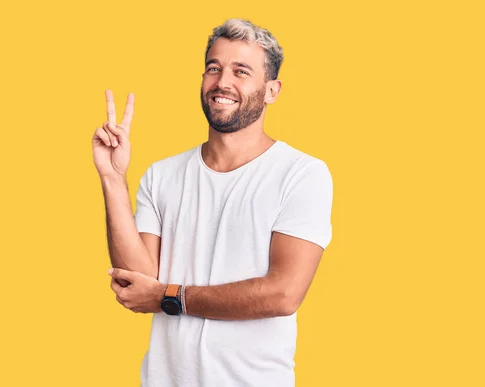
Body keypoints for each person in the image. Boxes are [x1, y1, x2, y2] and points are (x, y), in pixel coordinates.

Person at [92, 18, 333, 387]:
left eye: (241, 71)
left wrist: (168, 297)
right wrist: (112, 178)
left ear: (271, 90)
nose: (223, 82)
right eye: (213, 68)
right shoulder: (162, 175)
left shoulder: (302, 174)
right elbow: (137, 280)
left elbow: (283, 294)